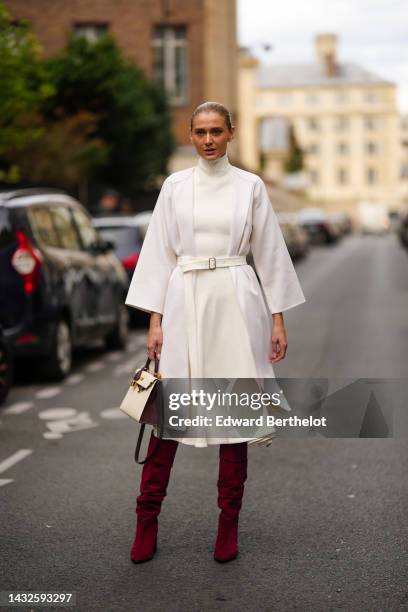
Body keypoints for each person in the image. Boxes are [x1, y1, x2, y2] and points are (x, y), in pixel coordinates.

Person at [125, 101, 306, 564]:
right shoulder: (175, 186)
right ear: (190, 134)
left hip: (236, 299)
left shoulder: (250, 186)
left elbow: (268, 251)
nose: (208, 140)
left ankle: (229, 527)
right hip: (184, 300)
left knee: (234, 420)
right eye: (200, 131)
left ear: (231, 133)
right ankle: (146, 522)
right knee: (168, 417)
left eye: (216, 131)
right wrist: (155, 319)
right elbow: (159, 253)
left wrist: (278, 317)